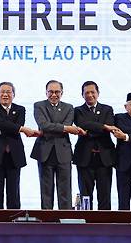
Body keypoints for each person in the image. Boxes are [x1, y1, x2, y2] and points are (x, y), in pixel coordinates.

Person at [0, 82, 39, 209]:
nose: (5, 94)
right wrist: (21, 129)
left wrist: (0, 129)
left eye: (8, 92)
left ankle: (14, 223)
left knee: (14, 191)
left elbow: (5, 125)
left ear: (14, 94)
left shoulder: (20, 109)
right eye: (2, 91)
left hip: (14, 155)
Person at [32, 80, 85, 210]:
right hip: (45, 151)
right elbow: (43, 125)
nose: (54, 94)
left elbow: (63, 125)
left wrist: (58, 127)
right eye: (51, 92)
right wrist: (65, 128)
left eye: (57, 92)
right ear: (46, 92)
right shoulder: (39, 105)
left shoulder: (69, 107)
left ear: (62, 93)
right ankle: (46, 222)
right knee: (46, 191)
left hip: (63, 152)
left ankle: (65, 220)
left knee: (65, 190)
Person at [73, 81, 122, 210]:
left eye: (92, 92)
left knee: (105, 195)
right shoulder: (77, 110)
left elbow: (102, 126)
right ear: (82, 95)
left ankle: (105, 227)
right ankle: (85, 226)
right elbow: (82, 124)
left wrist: (91, 129)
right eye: (86, 93)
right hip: (84, 158)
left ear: (98, 93)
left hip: (104, 158)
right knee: (85, 196)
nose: (90, 95)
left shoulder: (107, 109)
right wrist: (104, 126)